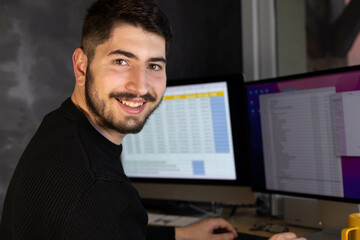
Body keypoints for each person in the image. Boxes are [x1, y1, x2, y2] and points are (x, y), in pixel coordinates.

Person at [0, 0, 306, 239]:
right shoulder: (99, 187)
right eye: (121, 61)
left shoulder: (60, 127)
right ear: (82, 67)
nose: (141, 86)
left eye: (154, 66)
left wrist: (180, 234)